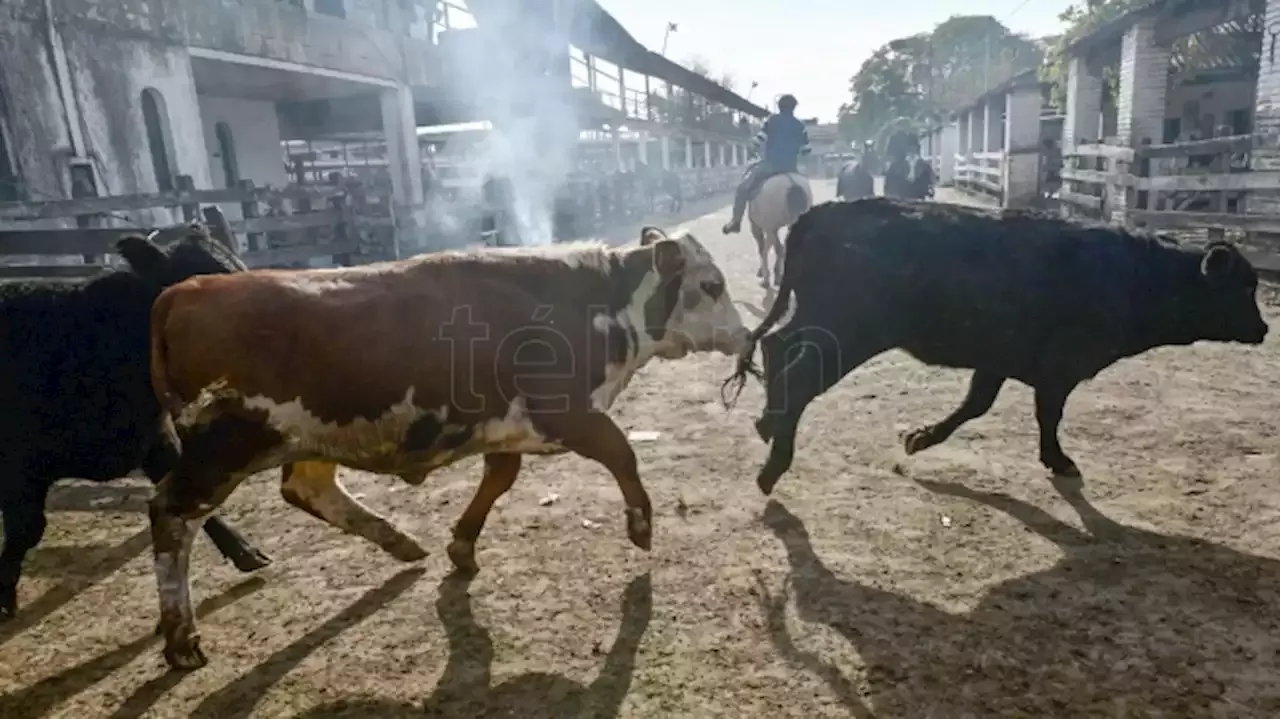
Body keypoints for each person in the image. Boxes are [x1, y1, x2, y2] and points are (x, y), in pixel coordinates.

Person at [722, 94, 809, 234]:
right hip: (792, 168)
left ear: (780, 107)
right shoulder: (800, 125)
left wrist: (753, 146)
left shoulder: (772, 121)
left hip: (770, 166)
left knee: (742, 188)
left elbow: (759, 140)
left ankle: (736, 222)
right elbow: (806, 150)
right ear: (794, 108)